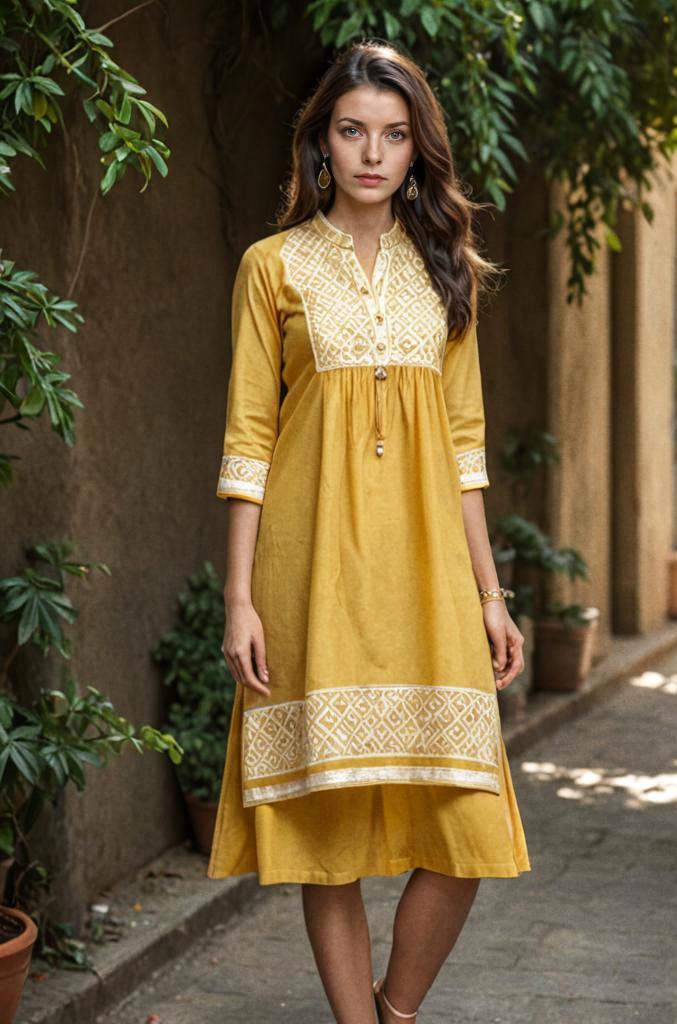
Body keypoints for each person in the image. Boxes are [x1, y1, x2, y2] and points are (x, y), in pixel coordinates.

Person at [206, 38, 532, 1024]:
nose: (372, 153)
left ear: (416, 150)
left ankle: (397, 1009)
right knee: (329, 828)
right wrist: (240, 594)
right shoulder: (273, 268)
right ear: (322, 143)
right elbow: (248, 438)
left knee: (471, 822)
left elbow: (467, 448)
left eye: (393, 134)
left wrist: (489, 592)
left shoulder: (447, 273)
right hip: (312, 577)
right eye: (353, 130)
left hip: (431, 573)